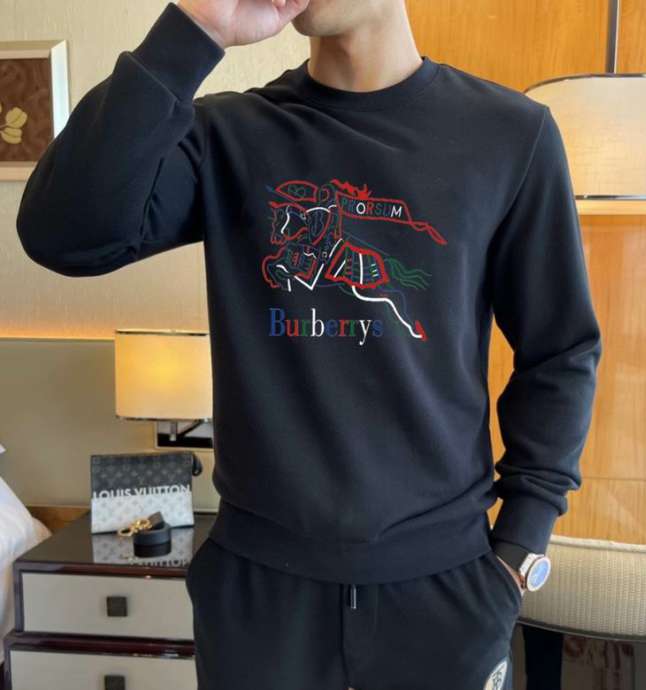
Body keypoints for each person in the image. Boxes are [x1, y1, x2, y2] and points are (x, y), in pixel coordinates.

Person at [15, 1, 603, 688]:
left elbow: (560, 351)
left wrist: (520, 547)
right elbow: (62, 235)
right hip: (259, 597)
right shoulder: (228, 135)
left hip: (447, 592)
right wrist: (193, 29)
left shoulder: (510, 134)